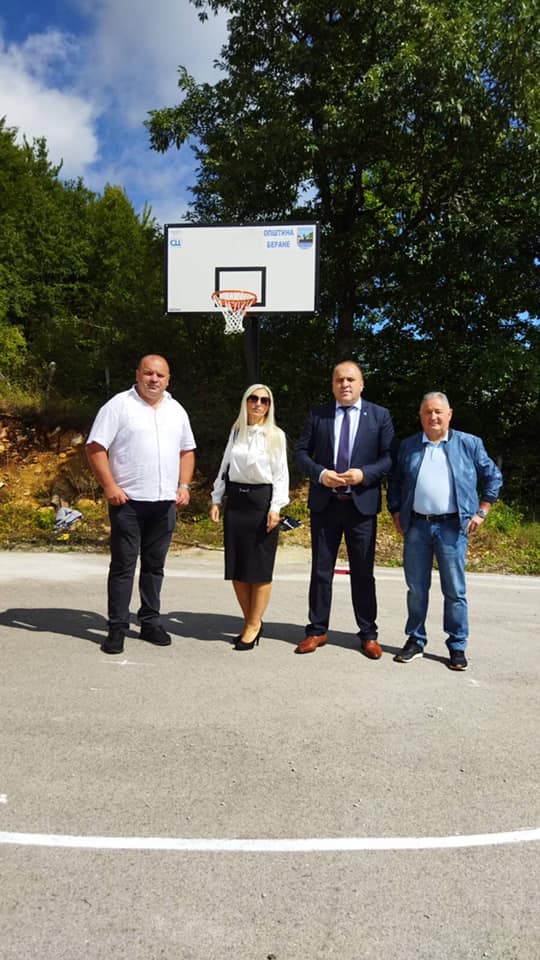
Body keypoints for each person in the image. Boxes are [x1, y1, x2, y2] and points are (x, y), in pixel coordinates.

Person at [86, 354, 196, 654]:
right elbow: (95, 446)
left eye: (160, 375)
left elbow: (187, 450)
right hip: (129, 503)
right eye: (148, 373)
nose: (154, 379)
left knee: (154, 566)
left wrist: (184, 485)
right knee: (123, 567)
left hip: (164, 503)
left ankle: (150, 622)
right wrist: (109, 486)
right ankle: (117, 628)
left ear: (168, 379)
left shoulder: (176, 410)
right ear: (138, 374)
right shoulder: (119, 406)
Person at [387, 391, 503, 671]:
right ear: (420, 416)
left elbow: (493, 476)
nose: (433, 417)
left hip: (453, 527)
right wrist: (395, 511)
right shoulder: (409, 446)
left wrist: (482, 510)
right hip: (417, 526)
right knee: (416, 589)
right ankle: (415, 640)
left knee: (454, 590)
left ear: (449, 414)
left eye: (438, 411)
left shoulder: (469, 444)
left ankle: (457, 646)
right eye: (427, 412)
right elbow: (396, 482)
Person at [295, 361, 394, 657]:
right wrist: (320, 474)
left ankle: (368, 634)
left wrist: (365, 474)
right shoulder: (318, 415)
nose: (345, 384)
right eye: (339, 380)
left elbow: (389, 457)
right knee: (321, 570)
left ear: (362, 384)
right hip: (325, 504)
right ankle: (316, 630)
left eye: (351, 379)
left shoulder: (379, 415)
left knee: (363, 572)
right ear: (333, 385)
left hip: (361, 506)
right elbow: (301, 453)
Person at [210, 384, 289, 650]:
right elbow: (225, 466)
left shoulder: (276, 435)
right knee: (237, 567)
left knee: (259, 569)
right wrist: (216, 498)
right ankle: (251, 621)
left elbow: (281, 475)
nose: (258, 404)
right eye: (253, 398)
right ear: (245, 402)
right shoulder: (237, 432)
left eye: (264, 400)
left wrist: (276, 507)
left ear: (270, 406)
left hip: (262, 503)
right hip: (236, 503)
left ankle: (254, 624)